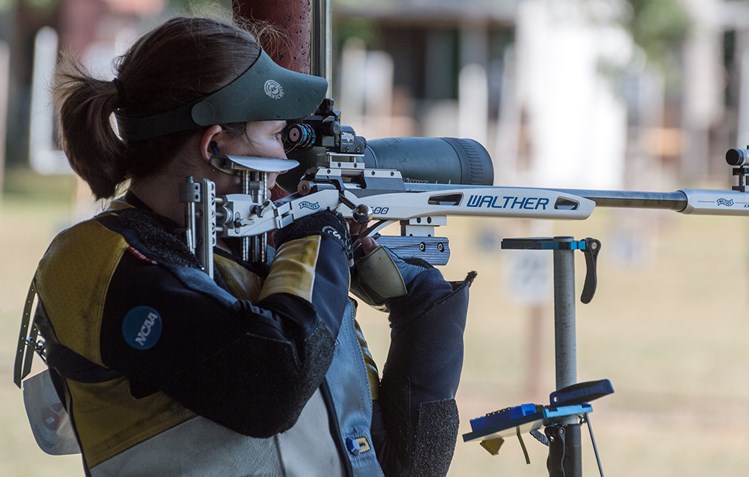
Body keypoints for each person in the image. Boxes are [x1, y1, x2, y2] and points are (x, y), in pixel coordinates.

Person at [26, 16, 473, 476]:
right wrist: (320, 235)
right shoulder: (97, 264)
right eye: (279, 136)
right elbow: (274, 387)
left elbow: (394, 460)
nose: (286, 163)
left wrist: (426, 307)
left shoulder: (262, 259)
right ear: (216, 146)